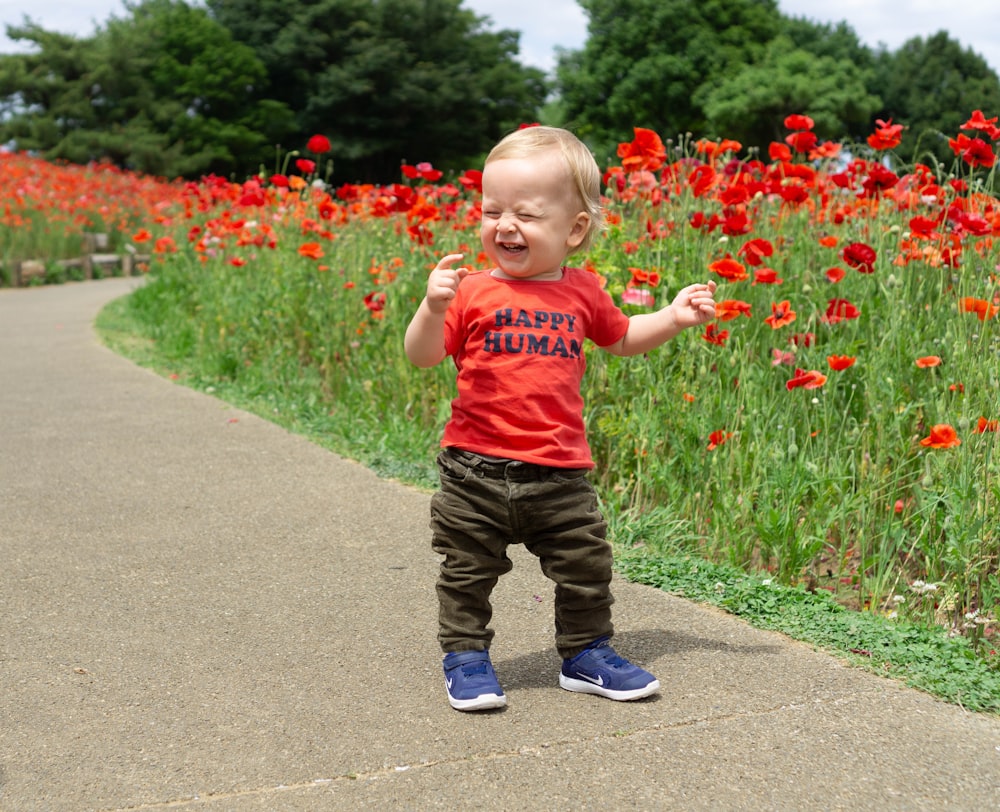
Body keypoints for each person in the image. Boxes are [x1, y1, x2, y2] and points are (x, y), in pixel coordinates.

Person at [404, 125, 716, 711]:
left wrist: (672, 317)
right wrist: (430, 306)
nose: (504, 226)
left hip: (559, 472)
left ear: (575, 230)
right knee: (467, 570)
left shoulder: (584, 292)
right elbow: (421, 355)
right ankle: (466, 656)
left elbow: (622, 337)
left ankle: (585, 652)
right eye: (492, 210)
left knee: (585, 566)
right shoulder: (469, 291)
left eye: (525, 213)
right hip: (474, 472)